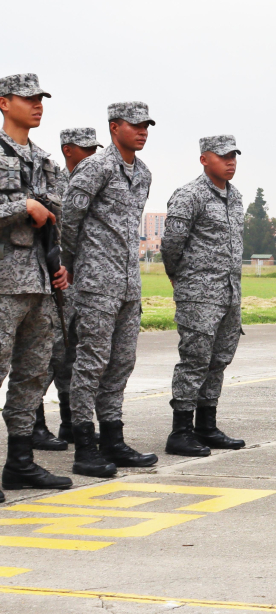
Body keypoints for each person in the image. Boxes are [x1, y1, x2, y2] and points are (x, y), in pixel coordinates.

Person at [62, 101, 158, 478]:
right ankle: (84, 444)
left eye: (146, 125)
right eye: (135, 125)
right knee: (91, 363)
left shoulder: (144, 173)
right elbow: (71, 218)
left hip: (128, 285)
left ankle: (113, 439)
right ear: (114, 127)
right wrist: (72, 263)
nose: (143, 131)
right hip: (95, 282)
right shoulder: (96, 167)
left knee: (121, 363)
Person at [0, 73, 72, 498]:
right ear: (4, 102)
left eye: (40, 98)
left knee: (31, 376)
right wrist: (22, 205)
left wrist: (58, 264)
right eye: (28, 98)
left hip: (41, 283)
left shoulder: (46, 160)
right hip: (3, 283)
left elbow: (57, 214)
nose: (37, 104)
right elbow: (33, 209)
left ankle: (20, 463)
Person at [161, 135, 249, 456]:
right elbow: (171, 246)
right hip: (198, 294)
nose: (231, 161)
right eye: (223, 156)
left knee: (219, 360)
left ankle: (206, 426)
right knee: (195, 360)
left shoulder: (235, 197)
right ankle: (180, 430)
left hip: (229, 294)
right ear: (204, 160)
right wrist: (183, 280)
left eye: (234, 156)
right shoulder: (190, 195)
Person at [31, 126, 102, 450]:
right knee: (47, 356)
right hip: (55, 281)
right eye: (86, 149)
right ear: (68, 149)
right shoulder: (54, 184)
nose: (92, 155)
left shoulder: (98, 183)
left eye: (95, 149)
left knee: (72, 359)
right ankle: (33, 424)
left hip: (83, 282)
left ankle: (71, 424)